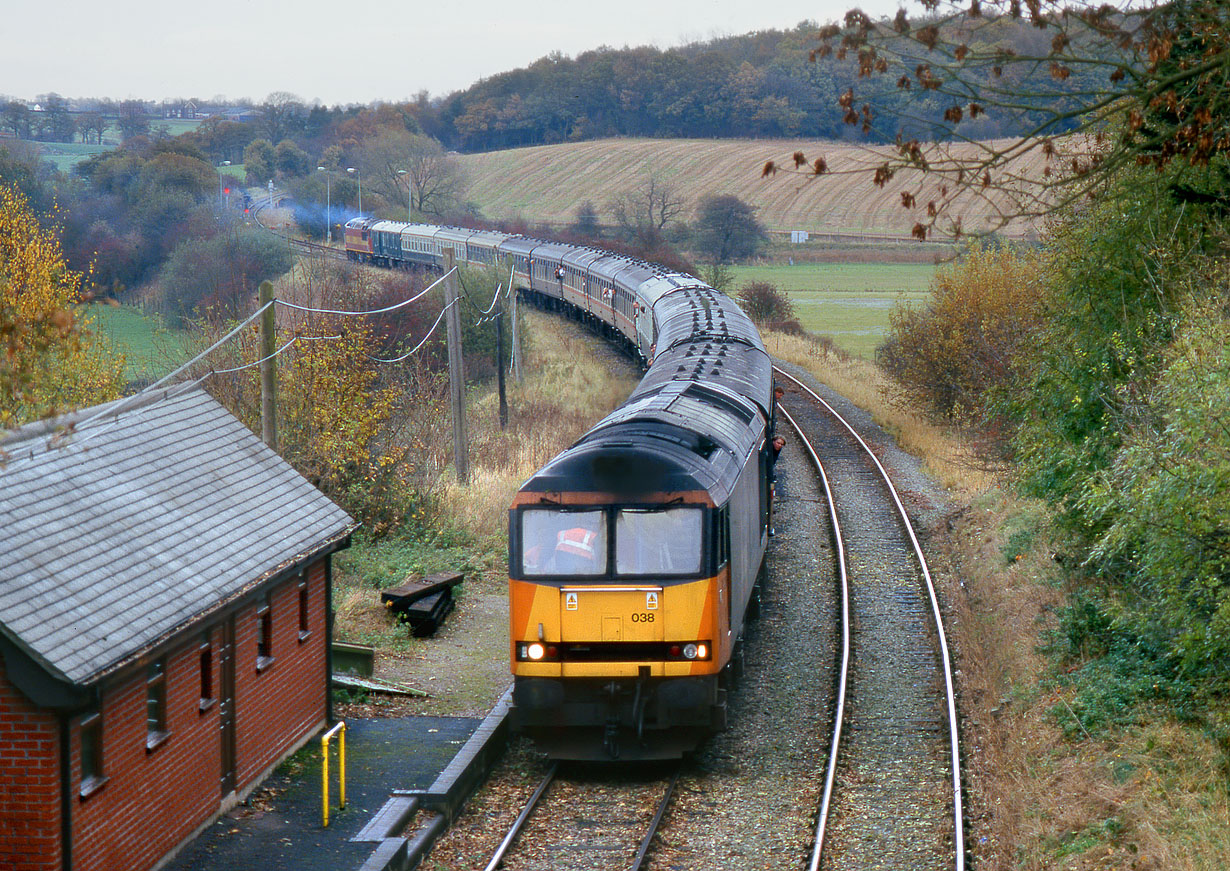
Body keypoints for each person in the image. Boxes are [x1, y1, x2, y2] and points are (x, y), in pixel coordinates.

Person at [767, 435, 785, 536]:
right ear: (773, 441)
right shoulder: (769, 449)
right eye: (778, 443)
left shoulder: (777, 451)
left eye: (781, 444)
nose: (779, 446)